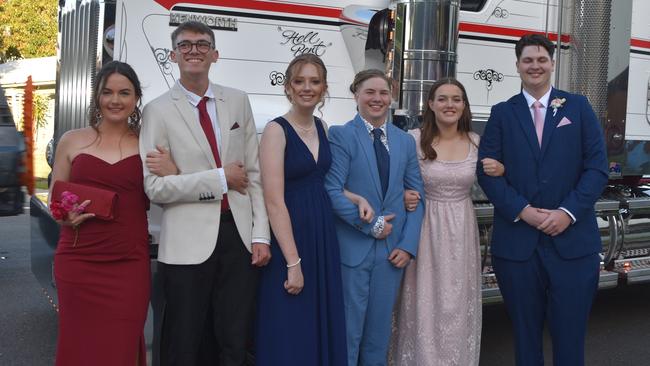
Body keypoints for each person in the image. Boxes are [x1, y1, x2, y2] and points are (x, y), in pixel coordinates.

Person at [139, 21, 271, 366]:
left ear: (215, 54)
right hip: (185, 244)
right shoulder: (157, 110)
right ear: (173, 55)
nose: (193, 50)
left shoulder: (238, 101)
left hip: (239, 237)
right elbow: (154, 188)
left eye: (201, 44)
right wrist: (219, 179)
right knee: (183, 341)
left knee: (234, 338)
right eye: (185, 45)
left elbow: (254, 174)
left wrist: (260, 236)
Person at [477, 33, 608, 365]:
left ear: (552, 63)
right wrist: (524, 211)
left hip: (573, 244)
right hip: (518, 246)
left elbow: (597, 169)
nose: (534, 66)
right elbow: (486, 174)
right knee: (525, 337)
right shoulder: (502, 113)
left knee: (571, 338)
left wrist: (567, 212)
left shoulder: (577, 107)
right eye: (527, 60)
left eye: (541, 59)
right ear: (518, 65)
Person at [51, 60, 177, 366]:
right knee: (78, 346)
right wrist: (64, 216)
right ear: (97, 97)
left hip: (128, 263)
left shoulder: (150, 143)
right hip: (78, 260)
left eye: (124, 92)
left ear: (136, 99)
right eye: (107, 92)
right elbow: (57, 200)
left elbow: (168, 193)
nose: (115, 100)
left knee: (121, 347)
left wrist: (173, 171)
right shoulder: (72, 140)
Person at [256, 53, 375, 365]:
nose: (306, 87)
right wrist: (293, 262)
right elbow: (273, 200)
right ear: (288, 87)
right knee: (290, 323)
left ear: (324, 88)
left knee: (317, 320)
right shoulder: (275, 130)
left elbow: (321, 182)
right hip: (291, 238)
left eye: (314, 81)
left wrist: (355, 198)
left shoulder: (323, 127)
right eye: (299, 81)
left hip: (323, 235)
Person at [389, 78, 504, 365]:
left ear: (464, 105)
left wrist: (501, 168)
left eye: (456, 99)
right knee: (422, 300)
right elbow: (390, 181)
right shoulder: (412, 139)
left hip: (461, 228)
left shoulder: (476, 143)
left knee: (456, 299)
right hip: (423, 226)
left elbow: (503, 180)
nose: (449, 105)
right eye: (442, 98)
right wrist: (403, 195)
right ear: (430, 104)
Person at [325, 69, 425, 366]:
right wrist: (372, 225)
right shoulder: (341, 135)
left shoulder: (404, 141)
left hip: (391, 255)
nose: (377, 99)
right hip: (352, 251)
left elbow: (417, 196)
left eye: (383, 92)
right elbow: (331, 190)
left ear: (392, 97)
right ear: (356, 95)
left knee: (378, 337)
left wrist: (408, 246)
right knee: (348, 334)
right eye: (370, 92)